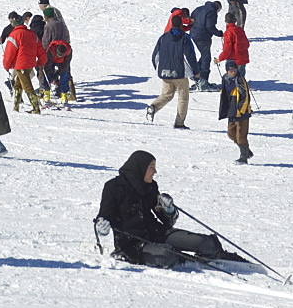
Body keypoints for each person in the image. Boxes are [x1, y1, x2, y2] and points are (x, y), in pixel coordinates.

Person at [95, 151, 232, 268]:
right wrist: (102, 227)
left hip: (158, 233)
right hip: (132, 244)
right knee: (167, 255)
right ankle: (184, 258)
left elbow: (166, 221)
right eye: (151, 167)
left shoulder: (150, 186)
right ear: (140, 168)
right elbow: (104, 216)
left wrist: (168, 210)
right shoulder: (114, 187)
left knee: (205, 242)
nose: (155, 171)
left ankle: (218, 254)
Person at [147, 15, 199, 128]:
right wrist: (196, 71)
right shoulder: (184, 38)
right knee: (183, 98)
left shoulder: (163, 37)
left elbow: (155, 55)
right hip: (180, 73)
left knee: (166, 95)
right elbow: (190, 56)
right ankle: (179, 123)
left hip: (165, 72)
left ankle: (153, 107)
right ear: (181, 24)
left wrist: (158, 69)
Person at [2, 15, 47, 113]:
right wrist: (41, 61)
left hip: (20, 65)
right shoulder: (32, 34)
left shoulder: (14, 35)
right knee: (18, 84)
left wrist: (6, 65)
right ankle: (16, 106)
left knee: (27, 86)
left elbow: (9, 53)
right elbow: (40, 49)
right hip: (30, 64)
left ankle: (36, 108)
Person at [218, 60, 253, 164]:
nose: (232, 71)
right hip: (231, 111)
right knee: (231, 133)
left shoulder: (240, 80)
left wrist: (241, 110)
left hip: (242, 112)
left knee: (241, 135)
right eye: (230, 70)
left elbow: (245, 97)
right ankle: (246, 152)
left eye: (234, 69)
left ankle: (243, 157)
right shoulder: (225, 78)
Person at [41, 7, 72, 104]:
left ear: (47, 16)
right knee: (64, 74)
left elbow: (45, 41)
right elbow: (67, 35)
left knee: (46, 73)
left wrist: (43, 52)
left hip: (52, 51)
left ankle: (46, 95)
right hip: (63, 49)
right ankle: (64, 96)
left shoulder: (49, 25)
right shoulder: (61, 23)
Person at [190, 0, 223, 90]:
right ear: (218, 8)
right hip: (203, 36)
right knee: (206, 58)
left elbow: (191, 19)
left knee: (204, 55)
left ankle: (196, 75)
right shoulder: (212, 12)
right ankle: (203, 82)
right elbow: (210, 27)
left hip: (194, 34)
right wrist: (219, 33)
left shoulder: (199, 9)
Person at [215, 13, 249, 77]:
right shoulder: (240, 30)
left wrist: (220, 59)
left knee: (232, 78)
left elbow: (227, 50)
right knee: (241, 78)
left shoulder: (228, 32)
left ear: (226, 21)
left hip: (233, 59)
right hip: (243, 57)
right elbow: (247, 44)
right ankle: (242, 85)